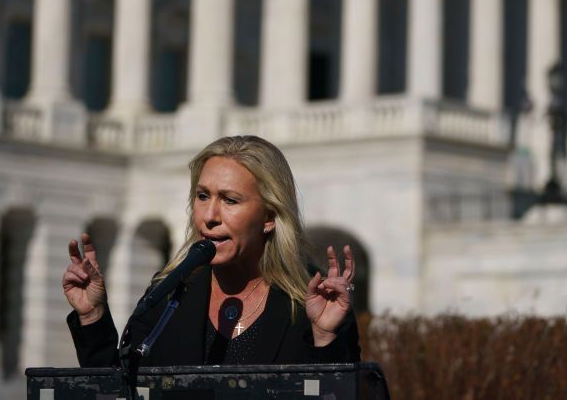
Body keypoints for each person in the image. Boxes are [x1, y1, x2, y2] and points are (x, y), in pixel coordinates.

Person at [64, 135, 360, 366]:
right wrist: (92, 316)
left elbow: (341, 392)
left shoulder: (313, 300)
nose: (210, 215)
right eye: (203, 196)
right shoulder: (169, 291)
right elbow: (119, 388)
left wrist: (326, 338)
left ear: (269, 217)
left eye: (230, 200)